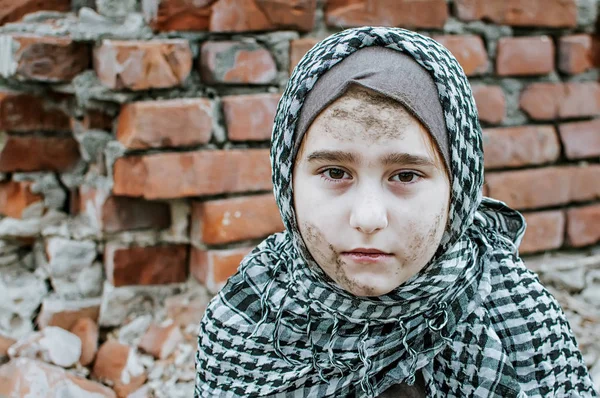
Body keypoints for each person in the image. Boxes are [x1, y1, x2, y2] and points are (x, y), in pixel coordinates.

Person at [195, 26, 598, 397]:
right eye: (335, 172)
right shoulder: (249, 318)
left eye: (405, 175)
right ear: (288, 182)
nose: (369, 218)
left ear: (457, 190)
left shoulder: (518, 321)